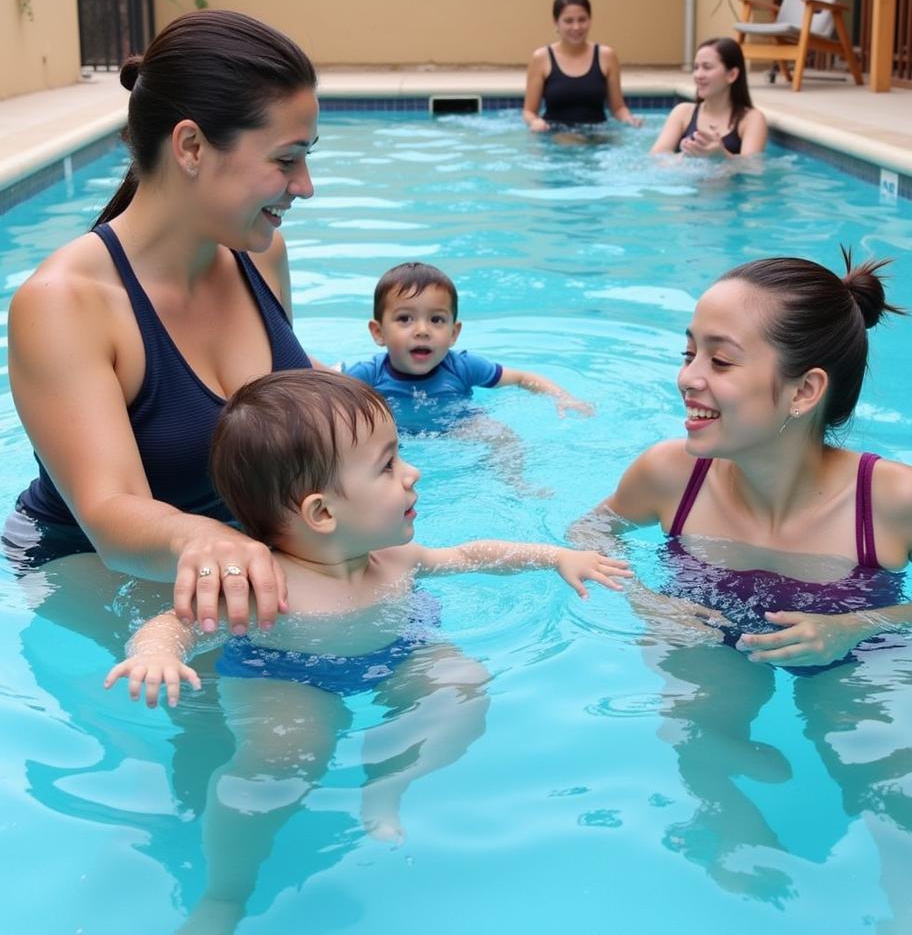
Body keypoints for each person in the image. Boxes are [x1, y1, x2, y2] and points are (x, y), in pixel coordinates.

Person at [572, 250, 912, 920]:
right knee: (699, 720)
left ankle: (909, 909)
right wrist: (651, 602)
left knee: (885, 765)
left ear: (804, 391)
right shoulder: (671, 475)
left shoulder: (890, 499)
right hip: (711, 626)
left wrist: (858, 627)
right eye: (688, 352)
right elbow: (589, 534)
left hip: (863, 643)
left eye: (719, 362)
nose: (686, 378)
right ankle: (729, 837)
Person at [105, 370, 629, 929]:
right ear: (322, 513)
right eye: (388, 466)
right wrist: (157, 652)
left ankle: (387, 786)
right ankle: (226, 892)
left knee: (463, 684)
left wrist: (554, 557)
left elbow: (470, 555)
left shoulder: (394, 559)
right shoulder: (270, 586)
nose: (412, 473)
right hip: (285, 676)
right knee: (281, 759)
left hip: (398, 650)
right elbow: (178, 621)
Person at [5, 9, 320, 637]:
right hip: (88, 576)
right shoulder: (66, 302)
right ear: (192, 147)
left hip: (231, 559)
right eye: (287, 160)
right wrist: (216, 543)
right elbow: (110, 514)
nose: (305, 187)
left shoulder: (260, 254)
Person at [345, 261, 593, 493]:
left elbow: (520, 377)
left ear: (454, 333)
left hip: (458, 426)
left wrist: (563, 397)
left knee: (504, 437)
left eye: (436, 319)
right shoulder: (367, 375)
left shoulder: (463, 366)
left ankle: (515, 482)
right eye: (404, 319)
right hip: (395, 435)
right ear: (378, 332)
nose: (422, 331)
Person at [523, 0, 642, 131]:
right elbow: (529, 111)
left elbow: (618, 108)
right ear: (556, 23)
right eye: (568, 21)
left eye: (582, 20)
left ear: (590, 20)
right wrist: (535, 122)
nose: (576, 27)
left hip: (598, 136)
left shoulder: (607, 56)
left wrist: (629, 119)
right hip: (555, 136)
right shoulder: (541, 58)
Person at [650, 37, 767, 157]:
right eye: (696, 67)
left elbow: (752, 168)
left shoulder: (750, 119)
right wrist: (687, 157)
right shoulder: (683, 113)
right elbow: (656, 158)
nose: (698, 75)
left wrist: (721, 156)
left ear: (732, 75)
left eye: (707, 67)